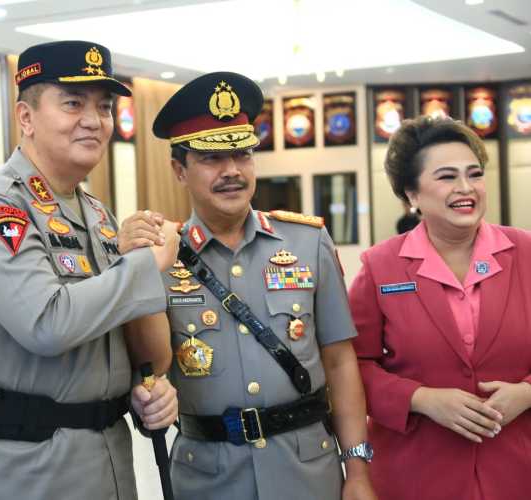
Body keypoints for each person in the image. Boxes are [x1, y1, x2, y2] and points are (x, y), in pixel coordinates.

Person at [0, 41, 179, 500]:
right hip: (18, 470)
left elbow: (113, 337)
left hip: (103, 463)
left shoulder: (96, 215)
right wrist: (145, 267)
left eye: (103, 107)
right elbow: (47, 324)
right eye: (72, 103)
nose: (93, 120)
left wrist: (146, 390)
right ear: (26, 118)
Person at [125, 72, 376, 500]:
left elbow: (339, 362)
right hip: (209, 478)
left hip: (307, 473)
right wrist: (136, 268)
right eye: (211, 159)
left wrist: (357, 470)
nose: (232, 172)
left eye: (242, 154)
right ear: (178, 170)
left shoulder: (306, 242)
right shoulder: (161, 256)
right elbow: (153, 367)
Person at [348, 116, 531, 500]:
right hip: (416, 473)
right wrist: (421, 399)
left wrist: (528, 393)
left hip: (518, 468)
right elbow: (351, 366)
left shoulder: (526, 252)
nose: (466, 188)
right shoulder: (381, 266)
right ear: (411, 195)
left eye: (475, 174)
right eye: (447, 177)